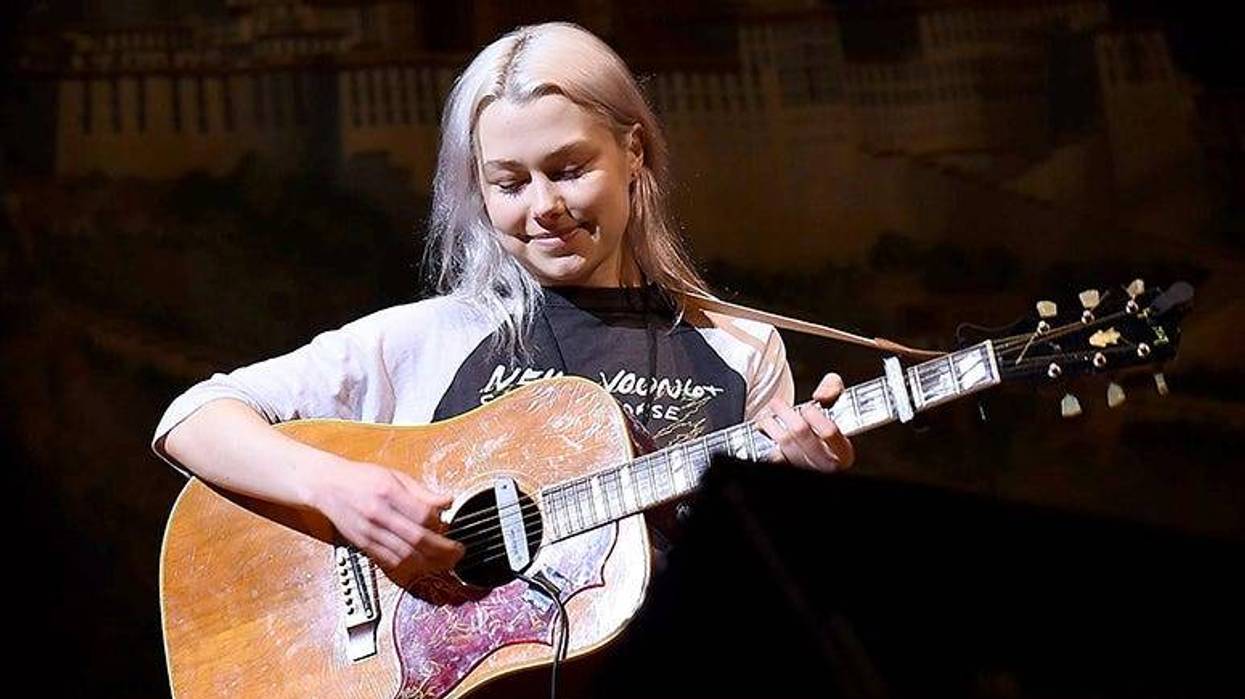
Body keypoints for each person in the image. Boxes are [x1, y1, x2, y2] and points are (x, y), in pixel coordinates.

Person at [153, 22, 853, 579]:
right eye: (509, 183)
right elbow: (192, 419)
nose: (544, 206)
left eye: (569, 169)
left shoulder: (739, 349)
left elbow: (766, 594)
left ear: (633, 152)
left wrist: (805, 502)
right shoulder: (434, 337)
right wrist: (336, 489)